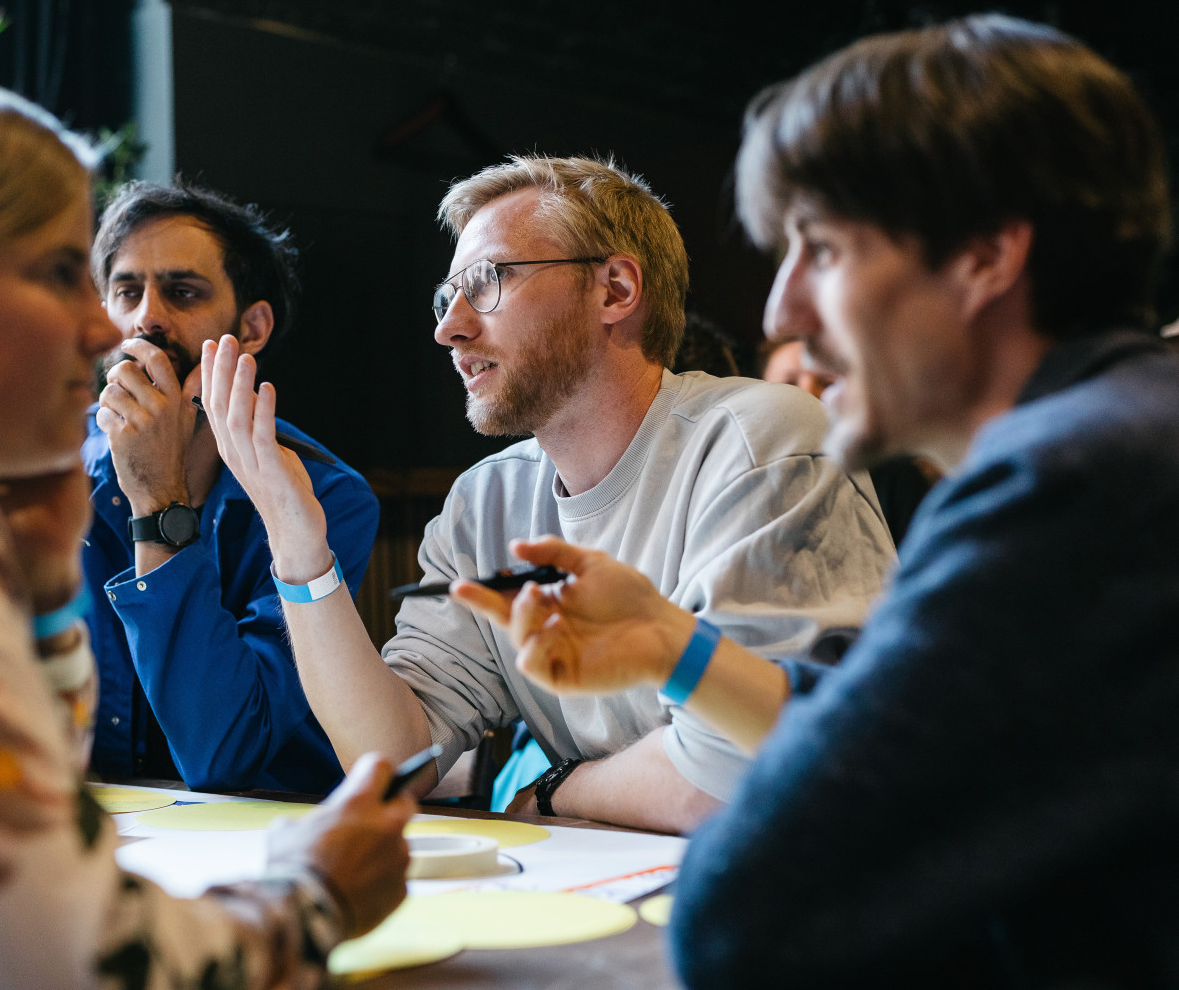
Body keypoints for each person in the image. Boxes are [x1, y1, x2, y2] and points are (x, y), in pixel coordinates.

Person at [454, 14, 1179, 985]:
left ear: (985, 257)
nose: (780, 311)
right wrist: (678, 649)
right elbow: (895, 750)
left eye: (824, 251)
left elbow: (748, 914)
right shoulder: (1127, 434)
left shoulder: (1067, 480)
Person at [0, 81, 411, 987]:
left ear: (251, 330)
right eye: (81, 278)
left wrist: (69, 577)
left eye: (177, 292)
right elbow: (73, 951)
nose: (119, 327)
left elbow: (15, 798)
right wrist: (319, 893)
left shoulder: (314, 491)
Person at [200, 154, 896, 834]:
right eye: (448, 298)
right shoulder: (485, 504)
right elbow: (389, 760)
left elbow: (737, 779)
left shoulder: (758, 441)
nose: (450, 329)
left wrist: (561, 789)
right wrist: (296, 541)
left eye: (491, 280)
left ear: (616, 291)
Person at [84, 181, 379, 793]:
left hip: (267, 837)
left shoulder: (324, 499)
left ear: (251, 329)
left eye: (182, 292)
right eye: (126, 291)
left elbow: (224, 753)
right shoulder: (42, 480)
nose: (147, 318)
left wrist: (156, 501)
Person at [761, 336, 937, 548]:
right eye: (789, 384)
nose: (807, 394)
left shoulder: (896, 478)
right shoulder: (752, 485)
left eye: (826, 382)